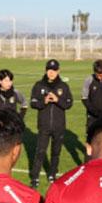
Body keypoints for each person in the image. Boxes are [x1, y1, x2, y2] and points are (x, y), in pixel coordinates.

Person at [29, 60, 73, 188]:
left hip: (59, 125)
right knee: (40, 151)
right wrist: (44, 101)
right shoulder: (38, 85)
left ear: (58, 71)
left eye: (54, 70)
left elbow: (69, 103)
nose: (51, 73)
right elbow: (33, 102)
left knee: (56, 151)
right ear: (46, 70)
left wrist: (58, 100)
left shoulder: (63, 86)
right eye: (49, 70)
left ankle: (52, 174)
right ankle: (35, 177)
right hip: (44, 125)